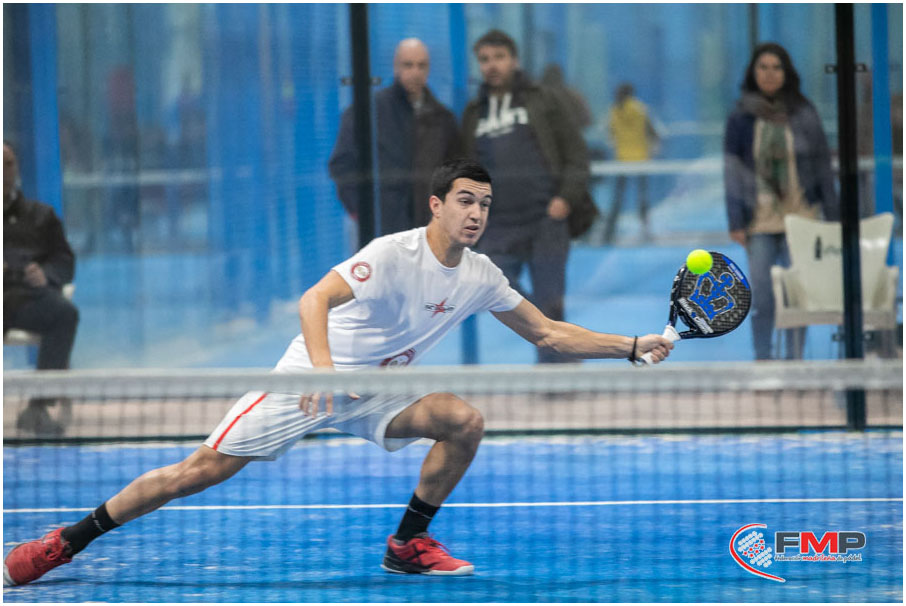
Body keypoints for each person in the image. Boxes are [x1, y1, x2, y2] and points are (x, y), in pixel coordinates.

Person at [3, 159, 673, 586]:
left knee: (463, 421)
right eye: (466, 200)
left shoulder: (480, 275)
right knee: (196, 473)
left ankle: (407, 543)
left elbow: (548, 332)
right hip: (310, 379)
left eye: (485, 204)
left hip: (378, 392)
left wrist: (632, 345)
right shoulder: (392, 254)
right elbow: (314, 299)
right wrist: (321, 375)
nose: (477, 213)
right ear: (436, 205)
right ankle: (66, 542)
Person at [462, 30, 591, 363]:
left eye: (499, 57)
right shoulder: (474, 113)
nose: (492, 65)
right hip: (498, 226)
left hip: (545, 220)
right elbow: (466, 170)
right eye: (485, 59)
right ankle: (562, 348)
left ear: (514, 60)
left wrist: (565, 199)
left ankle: (555, 374)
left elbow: (577, 154)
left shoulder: (544, 100)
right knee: (494, 287)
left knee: (551, 302)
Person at [723, 42, 839, 360]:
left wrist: (833, 216)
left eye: (776, 67)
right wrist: (735, 221)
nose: (770, 74)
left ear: (787, 72)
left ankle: (795, 358)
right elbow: (732, 172)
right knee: (762, 296)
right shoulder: (741, 116)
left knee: (797, 296)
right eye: (763, 67)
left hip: (802, 217)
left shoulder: (803, 112)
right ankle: (763, 359)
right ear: (753, 72)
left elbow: (822, 165)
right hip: (759, 220)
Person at [329, 38, 461, 235]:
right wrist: (361, 211)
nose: (415, 72)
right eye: (408, 65)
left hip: (430, 229)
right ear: (395, 67)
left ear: (429, 69)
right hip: (381, 228)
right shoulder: (368, 112)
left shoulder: (443, 118)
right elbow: (342, 165)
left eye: (421, 65)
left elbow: (457, 171)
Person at [3, 141, 79, 436]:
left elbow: (64, 260)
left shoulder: (41, 216)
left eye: (8, 164)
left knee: (65, 314)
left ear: (17, 169)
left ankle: (38, 408)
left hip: (28, 299)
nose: (3, 171)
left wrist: (45, 274)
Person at [603, 83, 661, 244]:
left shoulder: (613, 111)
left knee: (618, 197)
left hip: (622, 159)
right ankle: (645, 230)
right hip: (641, 158)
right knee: (642, 196)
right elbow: (653, 133)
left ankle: (609, 232)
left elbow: (610, 134)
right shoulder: (641, 109)